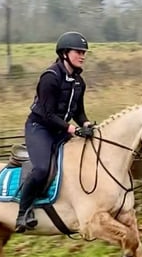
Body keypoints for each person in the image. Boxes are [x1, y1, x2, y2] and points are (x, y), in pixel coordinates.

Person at [14, 31, 95, 232]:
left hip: (60, 129)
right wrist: (72, 129)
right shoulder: (50, 78)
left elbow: (79, 112)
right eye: (79, 52)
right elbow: (48, 115)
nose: (83, 55)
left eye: (84, 52)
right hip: (39, 128)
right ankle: (23, 212)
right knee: (42, 169)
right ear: (65, 53)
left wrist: (86, 125)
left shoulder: (79, 83)